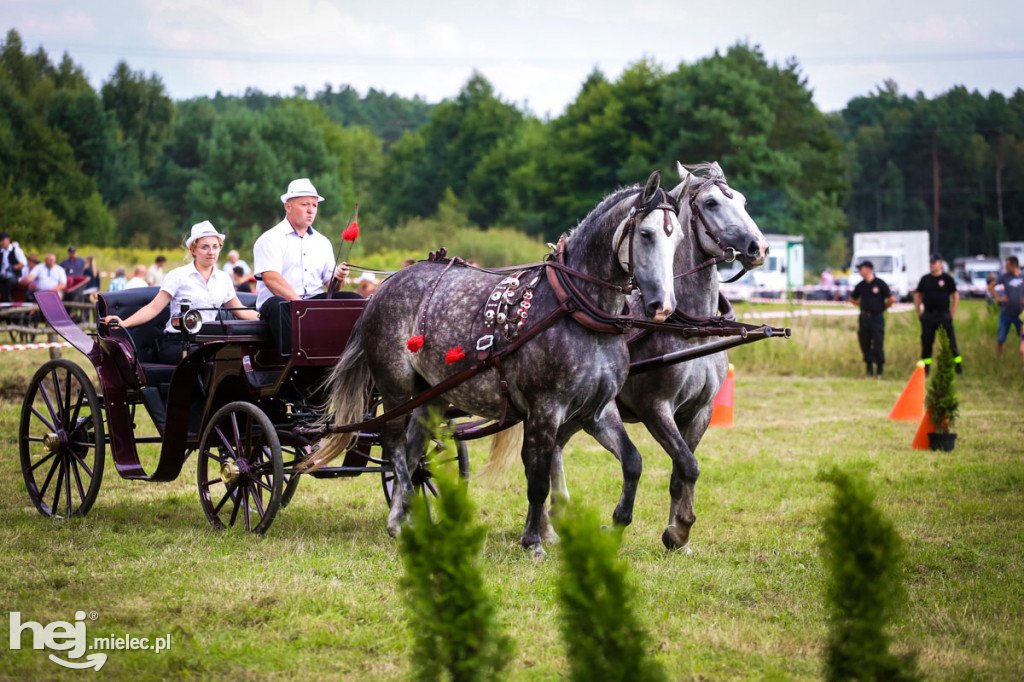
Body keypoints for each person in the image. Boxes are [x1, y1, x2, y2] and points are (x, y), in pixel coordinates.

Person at [104, 221, 258, 365]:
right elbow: (153, 308)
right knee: (209, 358)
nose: (211, 252)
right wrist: (124, 323)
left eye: (215, 246)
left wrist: (268, 317)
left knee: (235, 358)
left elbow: (240, 311)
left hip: (209, 342)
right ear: (193, 249)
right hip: (177, 343)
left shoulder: (224, 279)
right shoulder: (177, 276)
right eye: (205, 247)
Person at [253, 178, 354, 354]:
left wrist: (339, 277)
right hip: (281, 303)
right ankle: (295, 362)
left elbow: (333, 289)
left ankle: (349, 358)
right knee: (278, 305)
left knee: (353, 300)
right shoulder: (270, 239)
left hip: (311, 304)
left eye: (314, 205)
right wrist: (302, 307)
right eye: (305, 204)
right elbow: (271, 279)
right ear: (288, 206)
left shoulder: (323, 242)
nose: (310, 210)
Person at [914, 253, 962, 375]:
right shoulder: (925, 279)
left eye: (934, 263)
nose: (932, 265)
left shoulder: (947, 279)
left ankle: (957, 366)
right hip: (929, 315)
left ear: (940, 264)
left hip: (943, 315)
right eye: (930, 263)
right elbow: (918, 295)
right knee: (926, 343)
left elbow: (955, 295)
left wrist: (952, 313)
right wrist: (919, 312)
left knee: (951, 342)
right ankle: (925, 369)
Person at [849, 260, 893, 377]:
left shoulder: (880, 284)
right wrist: (862, 304)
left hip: (877, 318)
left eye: (861, 269)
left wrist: (882, 307)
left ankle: (879, 370)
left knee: (878, 343)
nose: (859, 271)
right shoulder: (861, 285)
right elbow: (852, 299)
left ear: (868, 269)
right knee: (865, 342)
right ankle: (869, 369)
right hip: (864, 319)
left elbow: (891, 298)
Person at [988, 255, 1024, 369]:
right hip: (1006, 313)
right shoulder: (1005, 277)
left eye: (1007, 265)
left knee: (1022, 340)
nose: (1005, 267)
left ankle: (1022, 364)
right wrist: (999, 298)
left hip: (1021, 314)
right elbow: (991, 287)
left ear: (1014, 265)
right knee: (1000, 339)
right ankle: (998, 362)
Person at [0, 232, 27, 302]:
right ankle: (4, 300)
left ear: (8, 240)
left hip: (15, 275)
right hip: (3, 275)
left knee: (8, 282)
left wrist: (12, 268)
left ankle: (8, 300)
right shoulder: (1, 252)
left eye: (3, 240)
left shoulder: (16, 250)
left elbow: (23, 263)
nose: (1, 242)